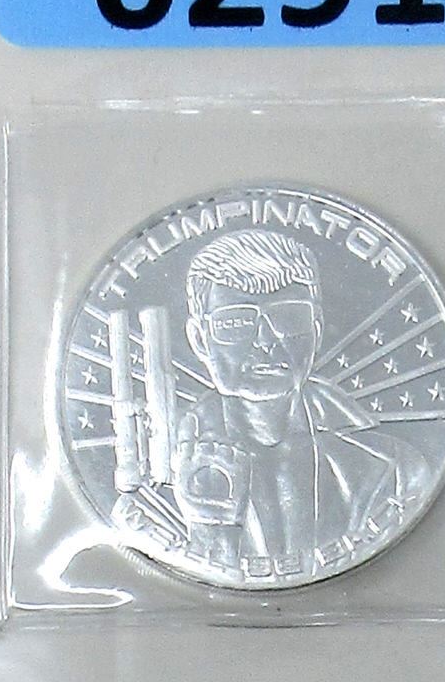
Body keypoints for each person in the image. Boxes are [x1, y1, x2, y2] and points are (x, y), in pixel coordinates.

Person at [172, 228, 430, 582]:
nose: (265, 341)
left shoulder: (396, 468)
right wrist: (211, 533)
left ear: (316, 331)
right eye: (236, 322)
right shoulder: (157, 474)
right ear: (200, 340)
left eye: (288, 317)